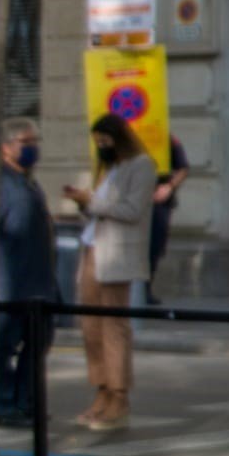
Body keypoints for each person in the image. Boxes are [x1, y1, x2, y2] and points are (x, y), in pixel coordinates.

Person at [62, 114, 156, 432]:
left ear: (119, 137)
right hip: (92, 250)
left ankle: (119, 395)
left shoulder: (141, 165)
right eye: (97, 141)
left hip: (117, 256)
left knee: (114, 328)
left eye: (105, 140)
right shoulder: (109, 169)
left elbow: (132, 210)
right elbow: (99, 209)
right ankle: (101, 389)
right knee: (90, 327)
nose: (101, 146)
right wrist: (82, 202)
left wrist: (93, 202)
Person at [0, 118, 58, 429]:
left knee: (36, 349)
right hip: (9, 286)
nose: (33, 148)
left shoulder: (30, 183)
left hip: (39, 285)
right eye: (26, 142)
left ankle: (26, 403)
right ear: (5, 148)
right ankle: (6, 404)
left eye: (35, 141)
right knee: (3, 350)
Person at [148, 138, 190, 304]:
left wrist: (169, 186)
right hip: (133, 201)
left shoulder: (165, 137)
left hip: (158, 201)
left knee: (154, 246)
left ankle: (145, 288)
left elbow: (183, 168)